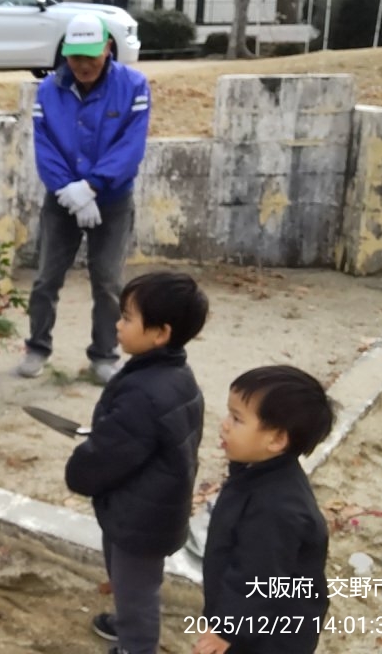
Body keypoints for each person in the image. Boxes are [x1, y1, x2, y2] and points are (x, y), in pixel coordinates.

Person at [65, 272, 209, 654]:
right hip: (143, 506)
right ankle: (126, 627)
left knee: (138, 591)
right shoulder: (173, 374)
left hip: (141, 517)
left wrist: (78, 471)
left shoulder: (146, 393)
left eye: (128, 318)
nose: (118, 325)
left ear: (160, 333)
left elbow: (111, 452)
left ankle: (137, 646)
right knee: (127, 579)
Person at [16, 12, 151, 385]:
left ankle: (104, 355)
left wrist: (92, 186)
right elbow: (45, 147)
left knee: (108, 281)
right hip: (61, 199)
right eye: (75, 56)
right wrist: (68, 191)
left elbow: (130, 146)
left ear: (107, 48)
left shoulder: (133, 86)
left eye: (91, 55)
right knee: (46, 278)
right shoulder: (48, 90)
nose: (83, 64)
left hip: (112, 198)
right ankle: (37, 347)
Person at [192, 366, 334, 654]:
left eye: (237, 419)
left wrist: (225, 629)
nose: (224, 425)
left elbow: (259, 577)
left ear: (277, 440)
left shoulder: (277, 508)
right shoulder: (257, 473)